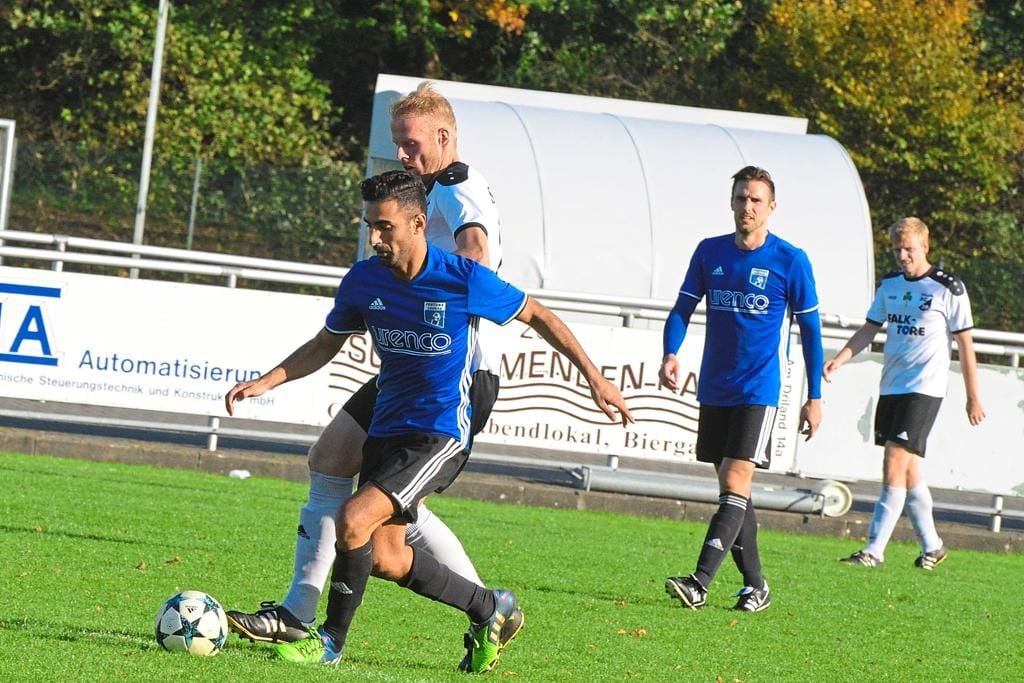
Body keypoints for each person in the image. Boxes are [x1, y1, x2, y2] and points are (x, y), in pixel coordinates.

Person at [228, 170, 633, 669]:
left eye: (385, 228)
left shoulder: (462, 278)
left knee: (352, 518)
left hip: (439, 433)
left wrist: (595, 378)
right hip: (387, 429)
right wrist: (267, 381)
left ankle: (328, 641)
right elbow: (324, 344)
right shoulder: (363, 280)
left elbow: (542, 317)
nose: (375, 239)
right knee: (385, 558)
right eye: (369, 227)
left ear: (419, 222)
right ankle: (491, 608)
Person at [225, 81, 505, 665]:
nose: (402, 155)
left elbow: (476, 252)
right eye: (398, 145)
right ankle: (484, 606)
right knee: (338, 468)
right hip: (409, 364)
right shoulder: (420, 192)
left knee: (381, 508)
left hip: (452, 371)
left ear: (444, 138)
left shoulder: (458, 190)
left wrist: (439, 291)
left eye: (411, 144)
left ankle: (308, 618)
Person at [659, 165, 823, 613]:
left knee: (735, 481)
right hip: (715, 388)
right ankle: (756, 586)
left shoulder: (790, 260)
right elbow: (681, 309)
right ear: (731, 202)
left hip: (759, 390)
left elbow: (811, 330)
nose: (746, 207)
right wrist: (671, 353)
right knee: (735, 492)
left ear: (771, 207)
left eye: (755, 200)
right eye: (740, 198)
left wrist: (815, 397)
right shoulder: (710, 252)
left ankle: (699, 581)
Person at [824, 216, 985, 570]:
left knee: (894, 462)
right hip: (892, 386)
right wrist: (840, 359)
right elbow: (870, 329)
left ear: (925, 247)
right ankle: (933, 546)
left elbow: (965, 345)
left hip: (924, 390)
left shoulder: (948, 288)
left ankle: (874, 550)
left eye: (909, 249)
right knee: (910, 470)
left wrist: (973, 396)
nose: (903, 255)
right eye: (897, 249)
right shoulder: (890, 286)